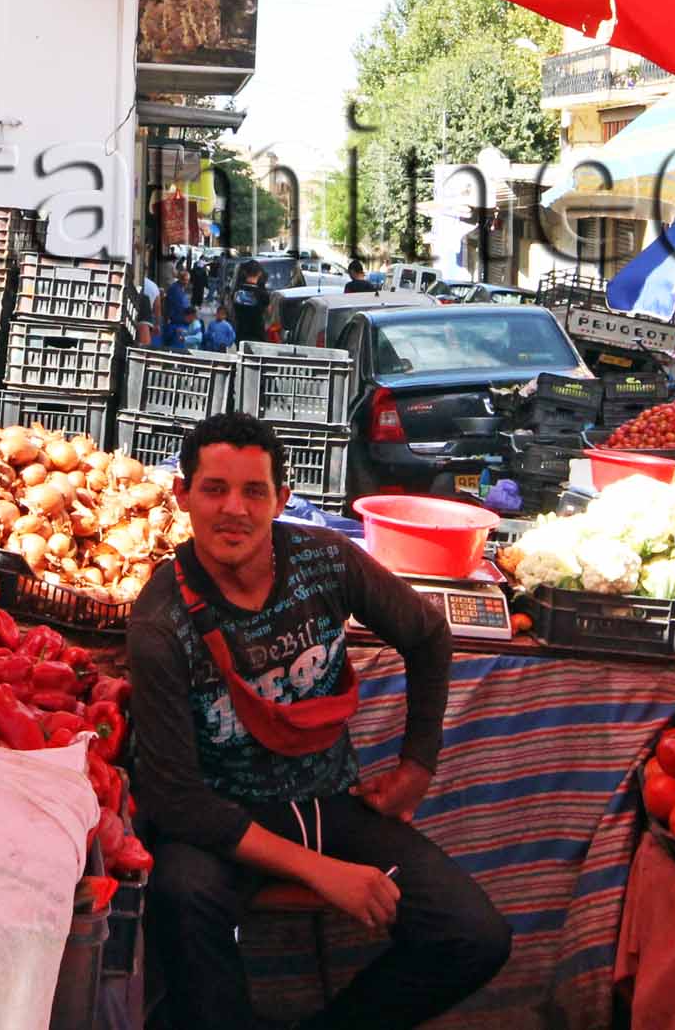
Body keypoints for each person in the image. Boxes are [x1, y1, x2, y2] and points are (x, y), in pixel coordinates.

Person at [132, 412, 512, 1029]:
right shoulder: (160, 621)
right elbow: (176, 801)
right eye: (214, 489)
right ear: (183, 495)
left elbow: (427, 634)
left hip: (332, 802)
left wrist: (417, 766)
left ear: (283, 498)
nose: (234, 509)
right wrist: (324, 874)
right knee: (183, 897)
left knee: (473, 934)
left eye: (255, 491)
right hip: (223, 826)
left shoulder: (327, 561)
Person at [231, 261, 273, 344]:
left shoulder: (237, 292)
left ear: (245, 273)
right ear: (260, 273)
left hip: (240, 334)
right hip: (257, 335)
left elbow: (233, 311)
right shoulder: (262, 294)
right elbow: (269, 313)